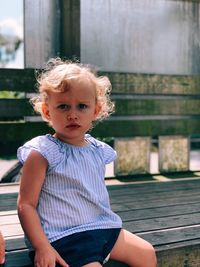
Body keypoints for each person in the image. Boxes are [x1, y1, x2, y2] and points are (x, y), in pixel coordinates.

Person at [17, 58, 157, 267]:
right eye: (63, 106)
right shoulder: (43, 152)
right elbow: (25, 204)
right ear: (47, 112)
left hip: (102, 227)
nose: (72, 114)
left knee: (146, 253)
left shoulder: (97, 150)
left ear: (96, 110)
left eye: (82, 106)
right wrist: (42, 246)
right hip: (64, 237)